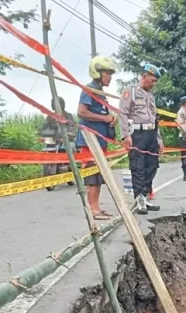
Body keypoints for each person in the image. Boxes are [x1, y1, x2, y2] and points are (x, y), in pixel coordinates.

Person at [75, 55, 118, 220]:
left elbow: (103, 114)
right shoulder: (89, 89)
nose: (109, 77)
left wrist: (111, 118)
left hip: (101, 141)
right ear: (97, 72)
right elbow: (81, 112)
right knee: (92, 174)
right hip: (89, 141)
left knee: (99, 174)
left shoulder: (102, 94)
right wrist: (104, 118)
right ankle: (91, 208)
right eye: (107, 73)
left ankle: (97, 206)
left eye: (110, 74)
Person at [119, 63, 164, 215]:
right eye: (152, 80)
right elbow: (123, 114)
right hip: (137, 135)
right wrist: (126, 135)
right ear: (144, 77)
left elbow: (154, 118)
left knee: (151, 166)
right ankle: (139, 198)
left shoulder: (151, 96)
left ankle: (145, 196)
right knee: (138, 167)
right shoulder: (130, 91)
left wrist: (159, 139)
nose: (154, 83)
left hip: (151, 134)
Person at [41, 96, 76, 191]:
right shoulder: (50, 116)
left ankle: (69, 167)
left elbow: (72, 127)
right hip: (54, 138)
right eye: (55, 105)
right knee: (45, 147)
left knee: (69, 147)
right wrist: (42, 134)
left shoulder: (68, 115)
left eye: (59, 105)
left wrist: (68, 134)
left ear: (62, 105)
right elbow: (44, 127)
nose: (56, 107)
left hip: (66, 138)